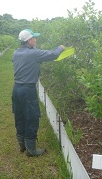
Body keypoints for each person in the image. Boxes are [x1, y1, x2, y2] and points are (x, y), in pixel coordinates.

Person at [12, 29, 65, 157]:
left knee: (20, 116)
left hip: (17, 89)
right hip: (28, 90)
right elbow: (53, 54)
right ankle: (31, 149)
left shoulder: (16, 52)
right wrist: (60, 48)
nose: (36, 39)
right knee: (32, 117)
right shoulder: (33, 53)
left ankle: (22, 145)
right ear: (29, 41)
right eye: (34, 38)